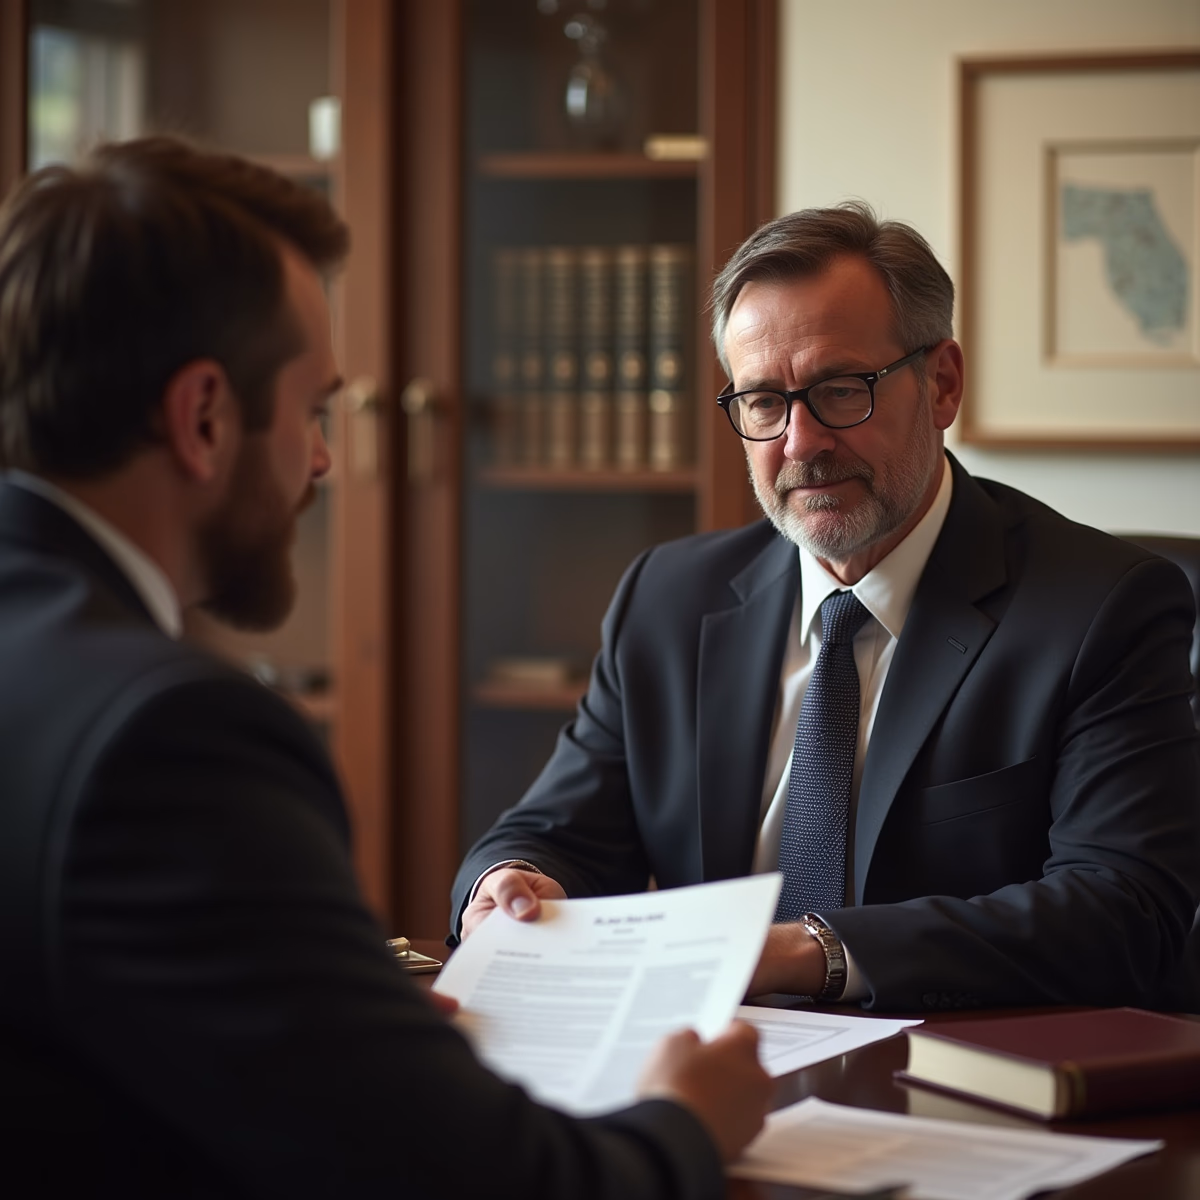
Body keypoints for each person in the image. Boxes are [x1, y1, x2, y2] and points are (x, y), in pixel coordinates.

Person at [0, 138, 771, 1198]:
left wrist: (333, 1021)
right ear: (205, 418)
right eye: (316, 411)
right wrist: (687, 1122)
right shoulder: (165, 735)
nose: (326, 460)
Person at [453, 201, 1200, 1013]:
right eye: (764, 402)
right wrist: (511, 883)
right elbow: (558, 829)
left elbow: (1126, 910)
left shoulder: (1102, 606)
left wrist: (806, 953)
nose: (800, 443)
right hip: (710, 1074)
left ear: (942, 383)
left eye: (841, 390)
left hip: (957, 1081)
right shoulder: (668, 599)